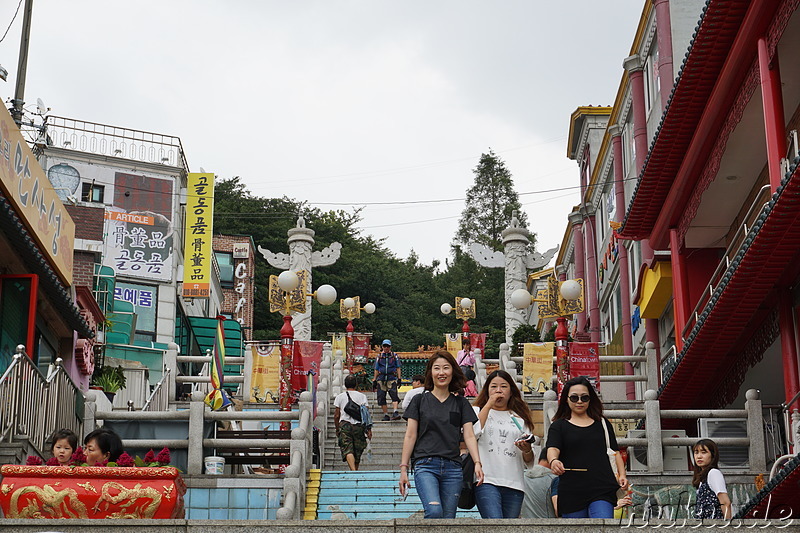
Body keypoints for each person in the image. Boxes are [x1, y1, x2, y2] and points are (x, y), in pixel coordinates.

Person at [399, 350, 484, 519]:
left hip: (453, 467)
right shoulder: (419, 401)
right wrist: (404, 469)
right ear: (431, 372)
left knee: (448, 518)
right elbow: (410, 435)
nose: (441, 372)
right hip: (425, 464)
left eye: (446, 368)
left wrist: (477, 462)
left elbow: (468, 436)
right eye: (437, 368)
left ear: (453, 371)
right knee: (434, 511)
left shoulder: (460, 403)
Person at [546, 376, 627, 518]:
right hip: (571, 490)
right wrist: (554, 461)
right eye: (574, 398)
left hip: (602, 487)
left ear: (591, 399)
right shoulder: (559, 426)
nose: (579, 402)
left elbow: (614, 452)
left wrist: (622, 475)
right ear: (566, 399)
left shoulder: (602, 423)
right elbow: (552, 448)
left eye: (584, 398)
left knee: (603, 526)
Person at [472, 369, 536, 518]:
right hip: (486, 479)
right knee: (494, 525)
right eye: (493, 386)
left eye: (504, 386)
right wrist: (488, 405)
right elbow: (473, 433)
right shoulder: (477, 411)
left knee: (509, 527)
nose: (498, 390)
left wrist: (527, 449)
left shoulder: (519, 419)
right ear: (487, 390)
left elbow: (529, 460)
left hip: (514, 482)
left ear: (511, 391)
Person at [333, 375, 372, 471]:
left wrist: (337, 428)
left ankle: (353, 471)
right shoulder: (362, 396)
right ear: (356, 384)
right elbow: (366, 414)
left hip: (345, 425)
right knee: (358, 450)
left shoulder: (340, 397)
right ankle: (355, 471)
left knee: (348, 449)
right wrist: (368, 429)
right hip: (358, 426)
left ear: (345, 385)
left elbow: (337, 415)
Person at [692, 438, 731, 520]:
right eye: (696, 452)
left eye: (704, 452)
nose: (699, 456)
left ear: (713, 455)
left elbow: (725, 503)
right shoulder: (702, 479)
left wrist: (728, 527)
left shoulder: (714, 473)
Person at [521, 451, 557, 518]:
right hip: (548, 526)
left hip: (521, 526)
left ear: (538, 460)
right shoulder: (555, 480)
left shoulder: (520, 475)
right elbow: (557, 509)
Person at [374, 339, 402, 420]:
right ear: (382, 346)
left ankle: (395, 411)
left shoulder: (394, 356)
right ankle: (386, 414)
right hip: (381, 378)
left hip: (391, 378)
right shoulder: (379, 356)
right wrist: (374, 379)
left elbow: (398, 367)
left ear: (390, 347)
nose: (386, 348)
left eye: (388, 346)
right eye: (385, 346)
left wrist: (399, 378)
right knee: (381, 396)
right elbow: (376, 369)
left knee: (394, 395)